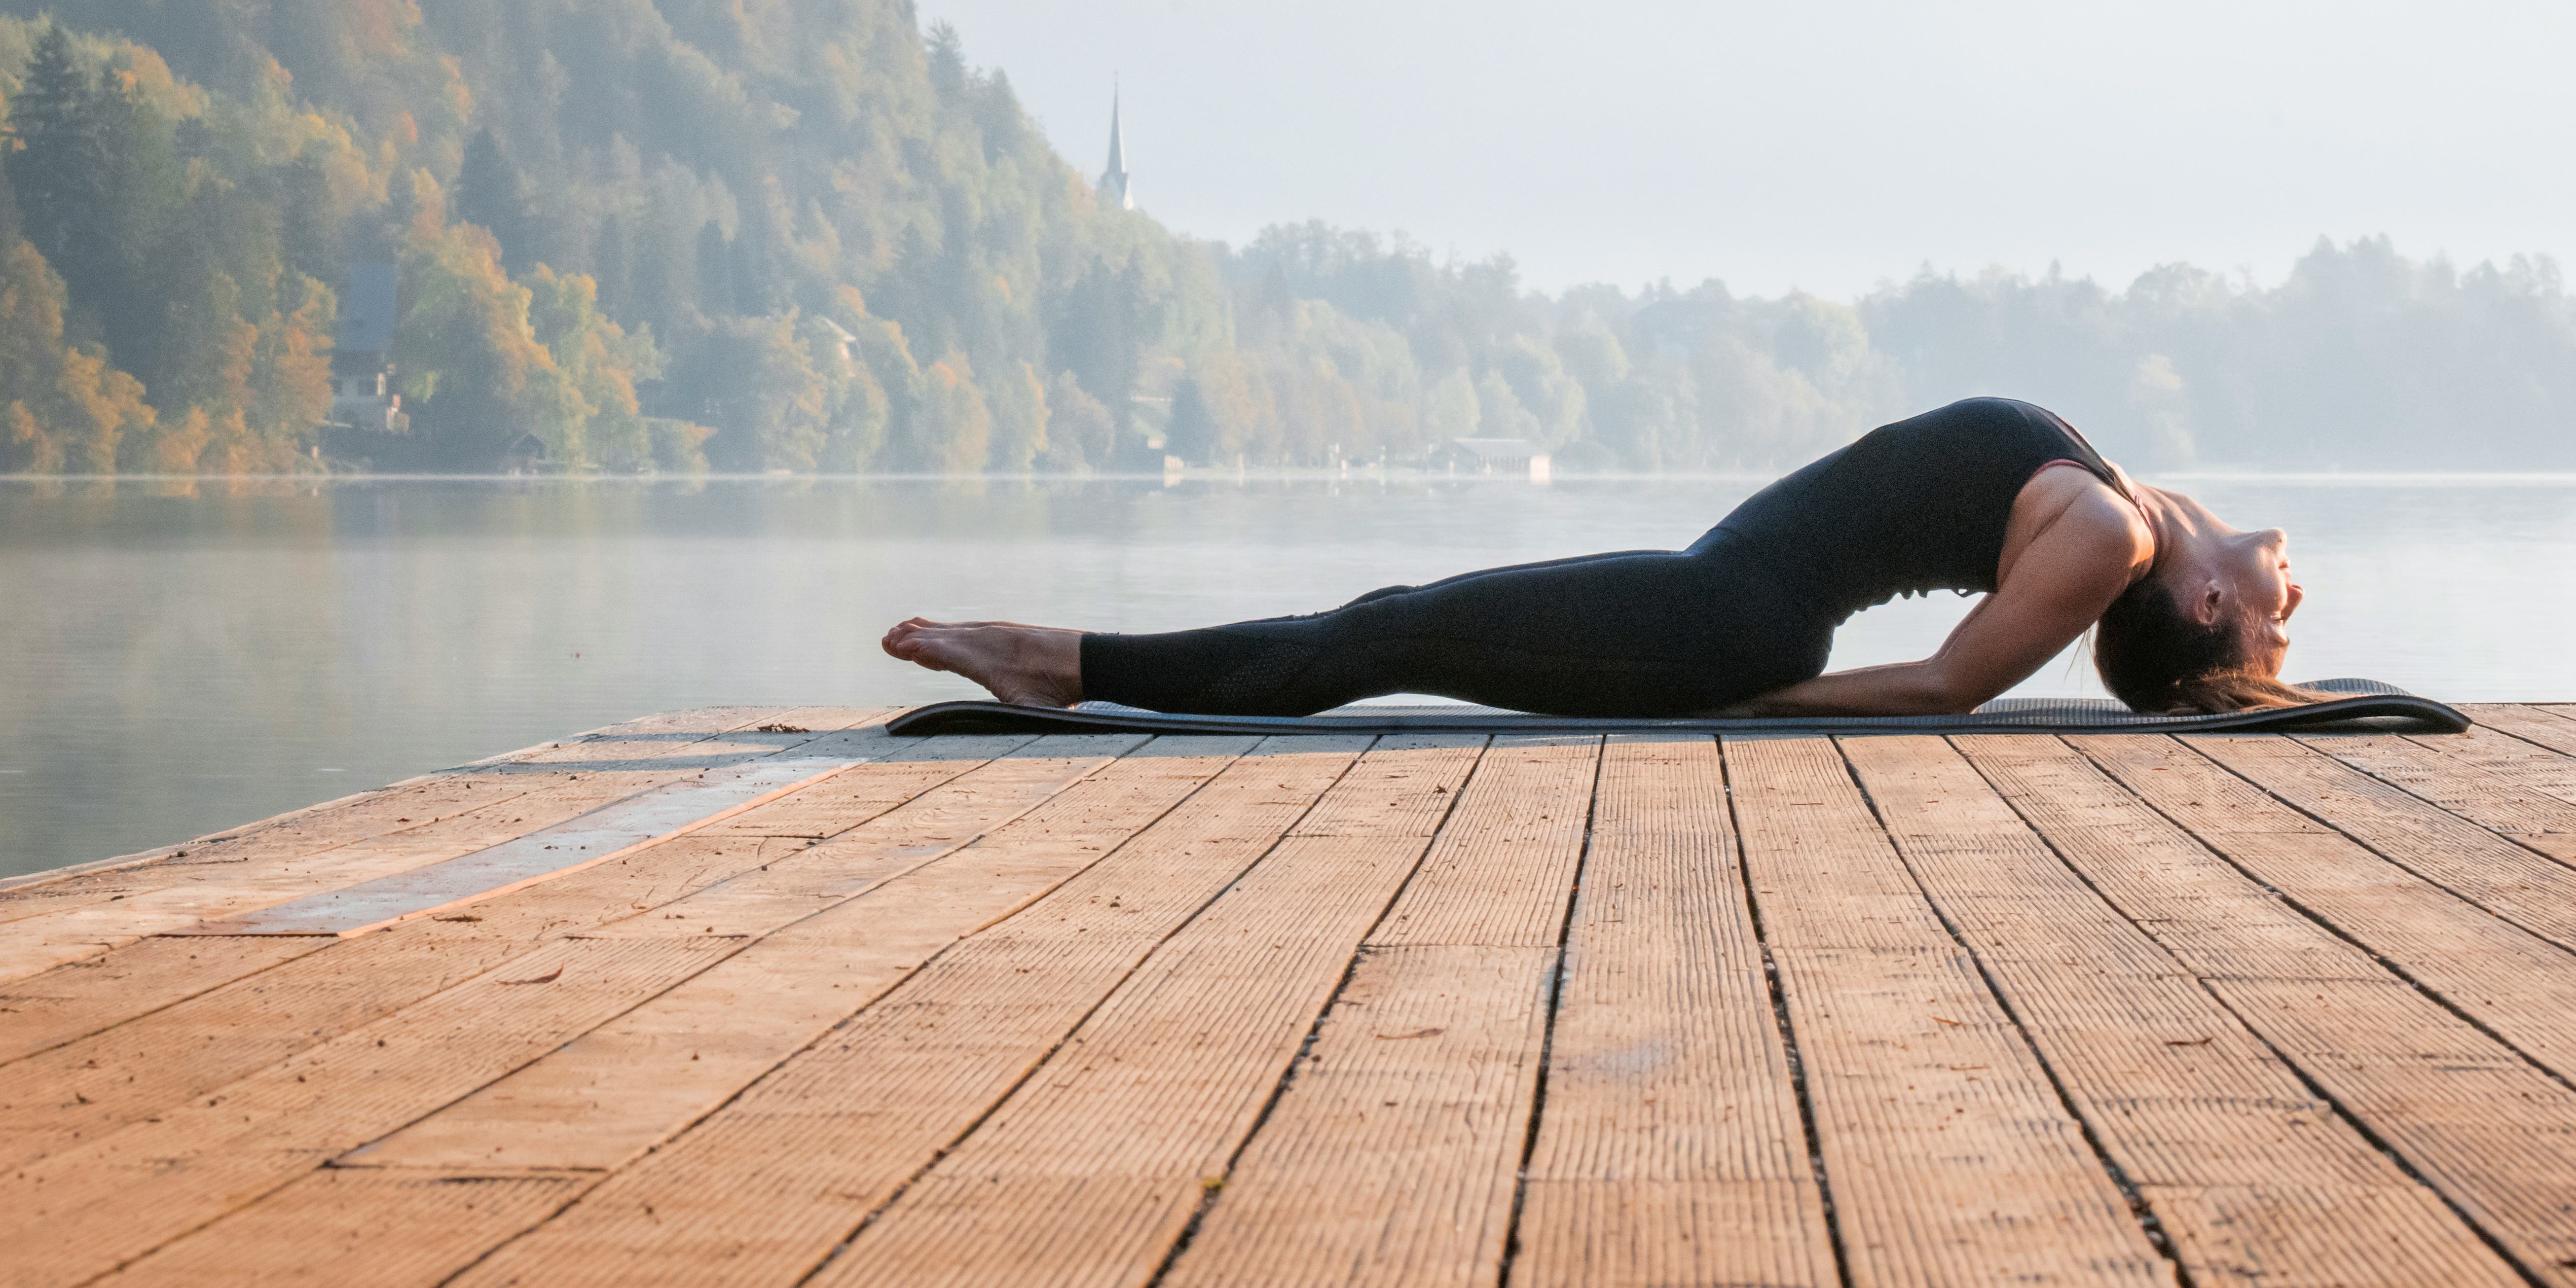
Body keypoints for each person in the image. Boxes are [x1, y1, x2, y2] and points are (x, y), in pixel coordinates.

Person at [882, 395, 2303, 720]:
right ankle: (1060, 661)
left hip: (1729, 625)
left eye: (2276, 626)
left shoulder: (2110, 540)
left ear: (2205, 603)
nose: (2295, 598)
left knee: (1391, 631)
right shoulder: (2135, 509)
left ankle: (1053, 663)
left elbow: (1943, 686)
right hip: (1719, 596)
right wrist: (2231, 690)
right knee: (1396, 625)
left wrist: (1737, 700)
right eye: (2287, 621)